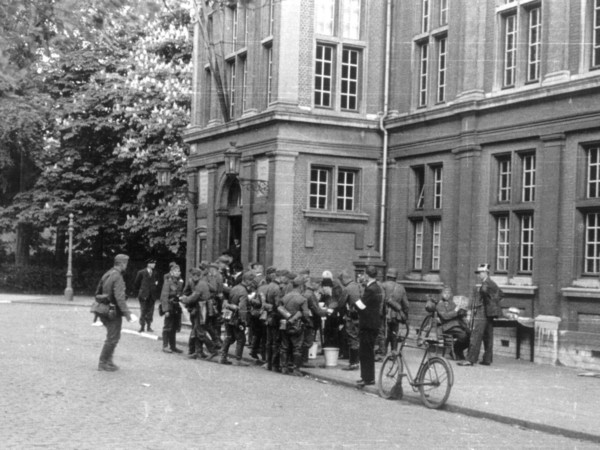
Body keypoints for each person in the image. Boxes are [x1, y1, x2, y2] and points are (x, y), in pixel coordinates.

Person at [94, 254, 138, 371]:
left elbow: (97, 292)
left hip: (103, 309)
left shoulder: (107, 274)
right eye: (126, 263)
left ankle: (108, 361)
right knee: (113, 338)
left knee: (112, 337)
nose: (126, 266)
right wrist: (128, 314)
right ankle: (103, 362)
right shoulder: (118, 277)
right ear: (122, 264)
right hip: (113, 311)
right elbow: (120, 298)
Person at [459, 264, 503, 367]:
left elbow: (489, 293)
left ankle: (470, 359)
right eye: (479, 273)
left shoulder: (486, 283)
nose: (479, 275)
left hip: (482, 311)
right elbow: (500, 294)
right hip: (489, 313)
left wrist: (489, 303)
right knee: (488, 336)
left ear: (486, 273)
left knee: (476, 335)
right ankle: (487, 359)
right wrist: (492, 305)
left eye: (480, 273)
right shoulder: (491, 283)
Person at [350, 265, 383, 388]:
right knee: (368, 351)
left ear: (367, 275)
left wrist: (354, 303)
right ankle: (368, 377)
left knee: (365, 352)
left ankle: (367, 378)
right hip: (374, 323)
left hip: (367, 324)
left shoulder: (370, 289)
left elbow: (362, 305)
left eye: (364, 274)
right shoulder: (377, 287)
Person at [181, 267, 218, 360]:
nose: (195, 277)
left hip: (201, 309)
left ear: (199, 276)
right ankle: (198, 352)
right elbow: (213, 289)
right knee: (197, 330)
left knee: (199, 331)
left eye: (196, 275)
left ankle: (213, 350)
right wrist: (208, 297)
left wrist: (184, 299)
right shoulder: (203, 282)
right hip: (202, 308)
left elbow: (192, 298)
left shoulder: (200, 285)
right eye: (193, 275)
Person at [220, 270, 256, 366]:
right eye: (251, 281)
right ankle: (238, 359)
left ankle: (223, 357)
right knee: (241, 339)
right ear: (247, 280)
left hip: (228, 315)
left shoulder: (235, 288)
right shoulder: (243, 291)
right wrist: (243, 320)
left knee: (229, 337)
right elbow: (242, 308)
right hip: (237, 317)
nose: (252, 284)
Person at [278, 276, 310, 376]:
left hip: (284, 323)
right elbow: (306, 314)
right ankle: (296, 369)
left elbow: (279, 309)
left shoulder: (285, 297)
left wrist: (288, 317)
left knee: (284, 346)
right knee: (297, 347)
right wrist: (307, 321)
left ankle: (283, 367)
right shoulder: (302, 299)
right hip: (297, 325)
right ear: (301, 286)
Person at [436, 285, 470, 360]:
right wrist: (455, 310)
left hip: (455, 325)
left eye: (449, 293)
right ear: (442, 294)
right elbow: (445, 316)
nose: (447, 295)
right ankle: (455, 350)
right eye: (445, 293)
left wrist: (463, 311)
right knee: (463, 335)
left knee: (470, 334)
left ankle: (458, 350)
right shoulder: (440, 304)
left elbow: (457, 313)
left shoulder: (452, 303)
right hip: (446, 326)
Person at [381, 268, 410, 354]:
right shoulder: (401, 288)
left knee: (385, 334)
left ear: (387, 276)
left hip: (385, 315)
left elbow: (381, 302)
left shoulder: (383, 286)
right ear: (395, 277)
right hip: (396, 316)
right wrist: (405, 315)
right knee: (394, 335)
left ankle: (384, 354)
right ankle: (394, 354)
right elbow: (406, 305)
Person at [338, 270, 361, 371]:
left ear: (344, 279)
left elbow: (341, 304)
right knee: (359, 339)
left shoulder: (347, 289)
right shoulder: (359, 286)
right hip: (362, 317)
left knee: (352, 339)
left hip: (352, 317)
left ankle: (353, 363)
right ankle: (358, 361)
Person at [160, 262, 184, 354]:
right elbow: (164, 296)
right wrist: (165, 310)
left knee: (174, 327)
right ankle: (165, 346)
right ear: (172, 272)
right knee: (167, 327)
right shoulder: (168, 281)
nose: (178, 273)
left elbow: (179, 293)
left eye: (179, 271)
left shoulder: (180, 281)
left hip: (176, 306)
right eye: (176, 271)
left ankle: (173, 346)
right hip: (169, 306)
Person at [134, 258, 159, 333]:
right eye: (152, 263)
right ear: (148, 264)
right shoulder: (141, 272)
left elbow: (156, 283)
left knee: (150, 311)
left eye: (154, 263)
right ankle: (142, 326)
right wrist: (141, 291)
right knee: (143, 311)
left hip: (152, 295)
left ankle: (149, 326)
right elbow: (137, 283)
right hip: (144, 294)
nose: (154, 265)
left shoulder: (155, 273)